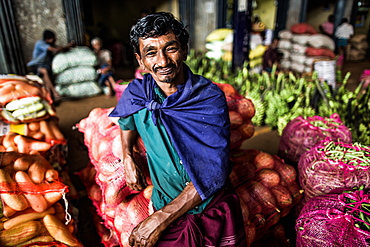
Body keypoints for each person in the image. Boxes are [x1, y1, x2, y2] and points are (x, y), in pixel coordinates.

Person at [109, 12, 246, 247]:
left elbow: (214, 172)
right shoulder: (138, 94)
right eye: (151, 53)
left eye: (170, 48)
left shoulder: (208, 98)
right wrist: (128, 156)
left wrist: (159, 220)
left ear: (184, 49)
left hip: (209, 209)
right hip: (165, 202)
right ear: (140, 61)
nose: (162, 61)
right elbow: (126, 121)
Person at [27, 29, 75, 102]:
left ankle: (50, 98)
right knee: (44, 71)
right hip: (35, 66)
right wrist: (67, 46)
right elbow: (55, 50)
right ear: (49, 39)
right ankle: (55, 93)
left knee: (47, 79)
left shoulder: (50, 44)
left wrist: (67, 48)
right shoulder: (40, 43)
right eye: (54, 38)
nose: (55, 40)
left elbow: (59, 49)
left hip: (45, 66)